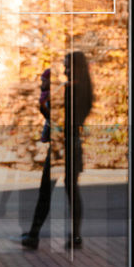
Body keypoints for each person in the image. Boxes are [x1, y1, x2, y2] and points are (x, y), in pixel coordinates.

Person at [20, 50, 91, 249]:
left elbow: (55, 118)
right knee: (72, 191)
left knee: (46, 191)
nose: (65, 69)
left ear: (75, 67)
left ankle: (34, 235)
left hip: (61, 146)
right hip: (74, 145)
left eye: (67, 65)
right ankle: (76, 236)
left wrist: (44, 108)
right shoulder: (86, 89)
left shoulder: (68, 89)